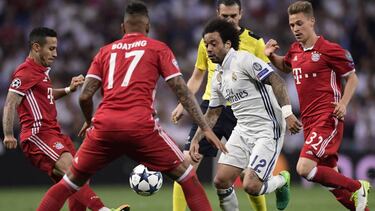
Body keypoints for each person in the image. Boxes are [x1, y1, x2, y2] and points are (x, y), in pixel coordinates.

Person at [36, 1, 227, 211]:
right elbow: (182, 91)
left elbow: (84, 96)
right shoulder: (158, 49)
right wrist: (206, 128)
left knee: (69, 182)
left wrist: (90, 121)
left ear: (122, 28)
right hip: (141, 127)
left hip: (105, 126)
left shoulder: (105, 52)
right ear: (148, 27)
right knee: (187, 176)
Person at [2, 27, 128, 211]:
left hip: (53, 132)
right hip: (38, 134)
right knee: (72, 172)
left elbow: (46, 94)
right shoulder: (25, 72)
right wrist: (8, 134)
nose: (55, 54)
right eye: (51, 49)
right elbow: (10, 102)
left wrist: (69, 89)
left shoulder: (40, 71)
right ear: (36, 47)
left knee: (77, 178)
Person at [264, 1, 371, 210]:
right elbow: (287, 66)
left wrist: (343, 103)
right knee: (329, 179)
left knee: (304, 168)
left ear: (312, 21)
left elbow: (352, 78)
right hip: (309, 121)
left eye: (299, 23)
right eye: (292, 25)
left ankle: (358, 186)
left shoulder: (329, 49)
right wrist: (271, 57)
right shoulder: (295, 50)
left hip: (327, 117)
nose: (295, 29)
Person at [190, 18, 302, 211]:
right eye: (206, 44)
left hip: (268, 127)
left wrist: (288, 114)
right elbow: (213, 112)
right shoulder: (217, 76)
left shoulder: (244, 60)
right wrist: (197, 138)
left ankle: (281, 181)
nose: (208, 48)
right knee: (221, 181)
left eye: (213, 44)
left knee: (251, 185)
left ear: (227, 44)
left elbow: (277, 81)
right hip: (243, 129)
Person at [171, 1, 270, 210]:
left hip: (241, 110)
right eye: (224, 16)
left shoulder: (255, 42)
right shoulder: (207, 41)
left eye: (233, 16)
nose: (229, 21)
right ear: (218, 13)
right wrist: (183, 103)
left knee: (247, 174)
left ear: (241, 14)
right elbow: (198, 76)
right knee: (186, 164)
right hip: (211, 108)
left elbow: (268, 79)